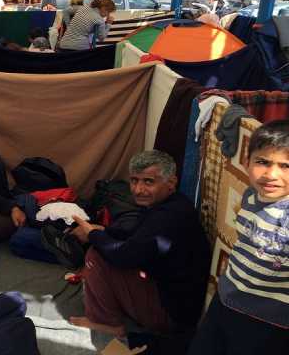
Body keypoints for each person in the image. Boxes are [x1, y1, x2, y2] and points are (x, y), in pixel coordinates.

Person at [68, 150, 211, 339]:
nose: (137, 190)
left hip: (172, 315)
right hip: (169, 295)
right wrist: (102, 230)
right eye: (134, 181)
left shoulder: (170, 216)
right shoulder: (170, 203)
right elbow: (137, 236)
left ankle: (107, 323)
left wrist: (92, 234)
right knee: (103, 244)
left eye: (148, 182)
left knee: (97, 256)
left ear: (171, 182)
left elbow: (123, 256)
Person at [188, 120, 289, 355]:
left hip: (268, 319)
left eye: (286, 166)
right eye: (262, 162)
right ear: (247, 162)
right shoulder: (251, 195)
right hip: (228, 296)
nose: (271, 175)